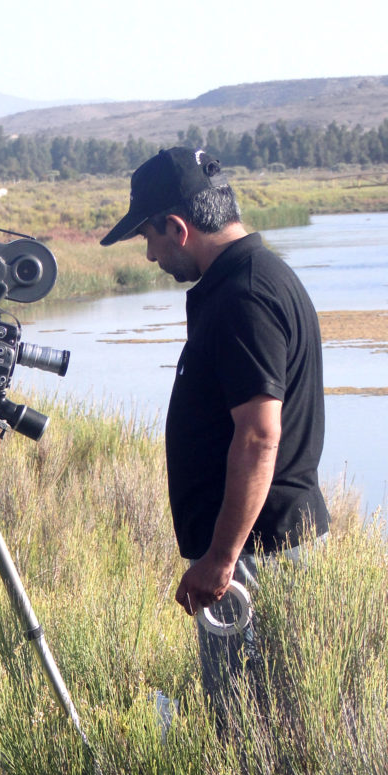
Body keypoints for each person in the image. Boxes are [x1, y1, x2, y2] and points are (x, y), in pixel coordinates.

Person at [100, 146, 329, 721]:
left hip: (260, 551)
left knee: (249, 726)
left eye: (149, 238)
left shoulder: (243, 295)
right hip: (267, 543)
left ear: (178, 228)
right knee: (270, 720)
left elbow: (258, 437)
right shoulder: (251, 276)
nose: (150, 254)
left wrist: (221, 558)